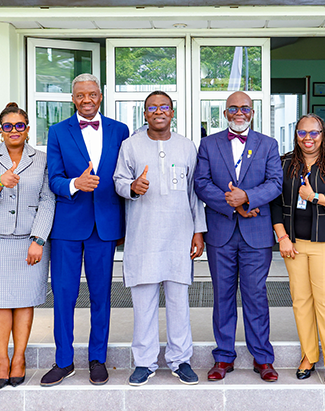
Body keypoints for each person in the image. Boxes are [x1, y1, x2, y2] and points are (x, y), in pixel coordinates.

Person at [113, 91, 206, 386]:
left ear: (172, 112)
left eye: (164, 107)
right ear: (145, 114)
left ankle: (181, 360)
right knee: (143, 302)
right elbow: (118, 181)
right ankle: (144, 362)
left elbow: (195, 193)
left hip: (179, 235)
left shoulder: (186, 146)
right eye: (152, 108)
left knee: (179, 301)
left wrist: (198, 231)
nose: (158, 112)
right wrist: (132, 186)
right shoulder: (130, 146)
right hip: (143, 236)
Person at [42, 73, 130, 387]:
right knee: (64, 295)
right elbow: (53, 178)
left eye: (92, 94)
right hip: (67, 225)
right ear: (73, 98)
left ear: (100, 96)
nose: (87, 100)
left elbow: (125, 175)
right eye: (81, 95)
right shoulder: (57, 131)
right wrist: (74, 184)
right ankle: (63, 360)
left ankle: (97, 359)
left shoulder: (121, 131)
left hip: (104, 225)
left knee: (101, 296)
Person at [194, 91, 283, 382]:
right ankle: (223, 357)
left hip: (256, 233)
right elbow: (201, 183)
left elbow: (275, 183)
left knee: (256, 295)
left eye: (244, 108)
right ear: (225, 113)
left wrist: (246, 199)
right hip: (220, 230)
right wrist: (231, 203)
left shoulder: (268, 145)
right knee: (222, 296)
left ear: (253, 112)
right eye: (233, 108)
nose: (239, 112)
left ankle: (263, 358)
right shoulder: (208, 144)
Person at [0, 102, 56, 389]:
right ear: (1, 130)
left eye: (19, 125)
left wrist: (38, 239)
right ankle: (1, 360)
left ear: (28, 130)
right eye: (8, 126)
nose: (14, 130)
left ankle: (18, 357)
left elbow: (48, 200)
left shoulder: (43, 159)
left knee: (24, 301)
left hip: (29, 241)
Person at [270, 113, 325, 384]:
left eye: (314, 133)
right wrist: (282, 236)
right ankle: (309, 354)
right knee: (301, 300)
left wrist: (315, 197)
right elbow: (274, 202)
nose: (308, 138)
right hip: (293, 242)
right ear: (296, 135)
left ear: (323, 135)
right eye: (302, 133)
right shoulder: (284, 163)